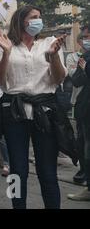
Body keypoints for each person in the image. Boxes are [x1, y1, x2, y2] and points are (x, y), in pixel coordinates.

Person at [0, 5, 77, 209]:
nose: (39, 20)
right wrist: (6, 54)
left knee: (47, 171)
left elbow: (58, 79)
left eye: (40, 16)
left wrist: (54, 55)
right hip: (14, 112)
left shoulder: (48, 43)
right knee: (17, 170)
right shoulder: (4, 44)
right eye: (34, 17)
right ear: (21, 20)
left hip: (44, 112)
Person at [67, 26, 90, 201]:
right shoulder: (84, 57)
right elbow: (75, 81)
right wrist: (83, 69)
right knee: (83, 146)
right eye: (85, 37)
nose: (86, 40)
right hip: (84, 109)